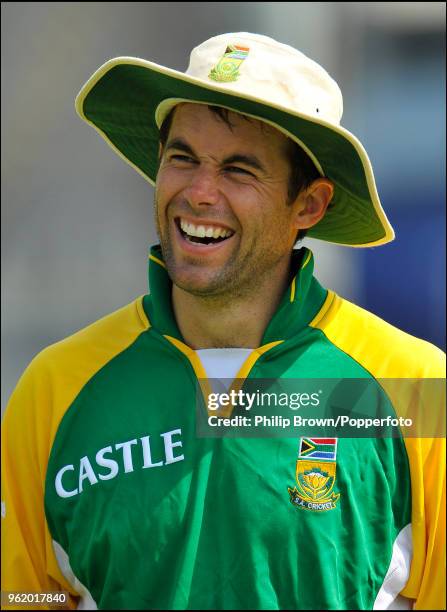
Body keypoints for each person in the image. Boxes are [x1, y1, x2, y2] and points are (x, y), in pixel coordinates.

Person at [1, 32, 445, 611]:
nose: (200, 192)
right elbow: (24, 598)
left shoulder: (413, 384)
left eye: (239, 170)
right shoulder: (56, 386)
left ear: (308, 205)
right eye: (182, 158)